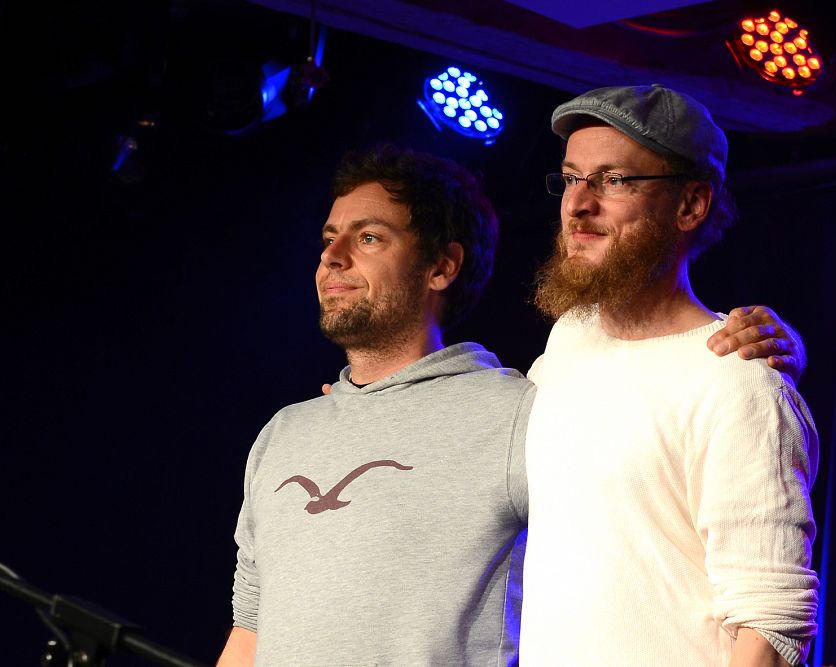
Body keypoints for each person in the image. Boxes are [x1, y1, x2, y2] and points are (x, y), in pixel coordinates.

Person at [216, 143, 805, 665]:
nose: (333, 256)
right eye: (329, 239)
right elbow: (250, 630)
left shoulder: (517, 411)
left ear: (442, 266)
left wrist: (745, 353)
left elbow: (644, 415)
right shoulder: (284, 434)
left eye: (369, 238)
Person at [518, 85, 819, 667]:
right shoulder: (569, 339)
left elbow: (772, 626)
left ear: (691, 205)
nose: (578, 204)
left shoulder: (738, 382)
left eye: (613, 180)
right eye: (572, 178)